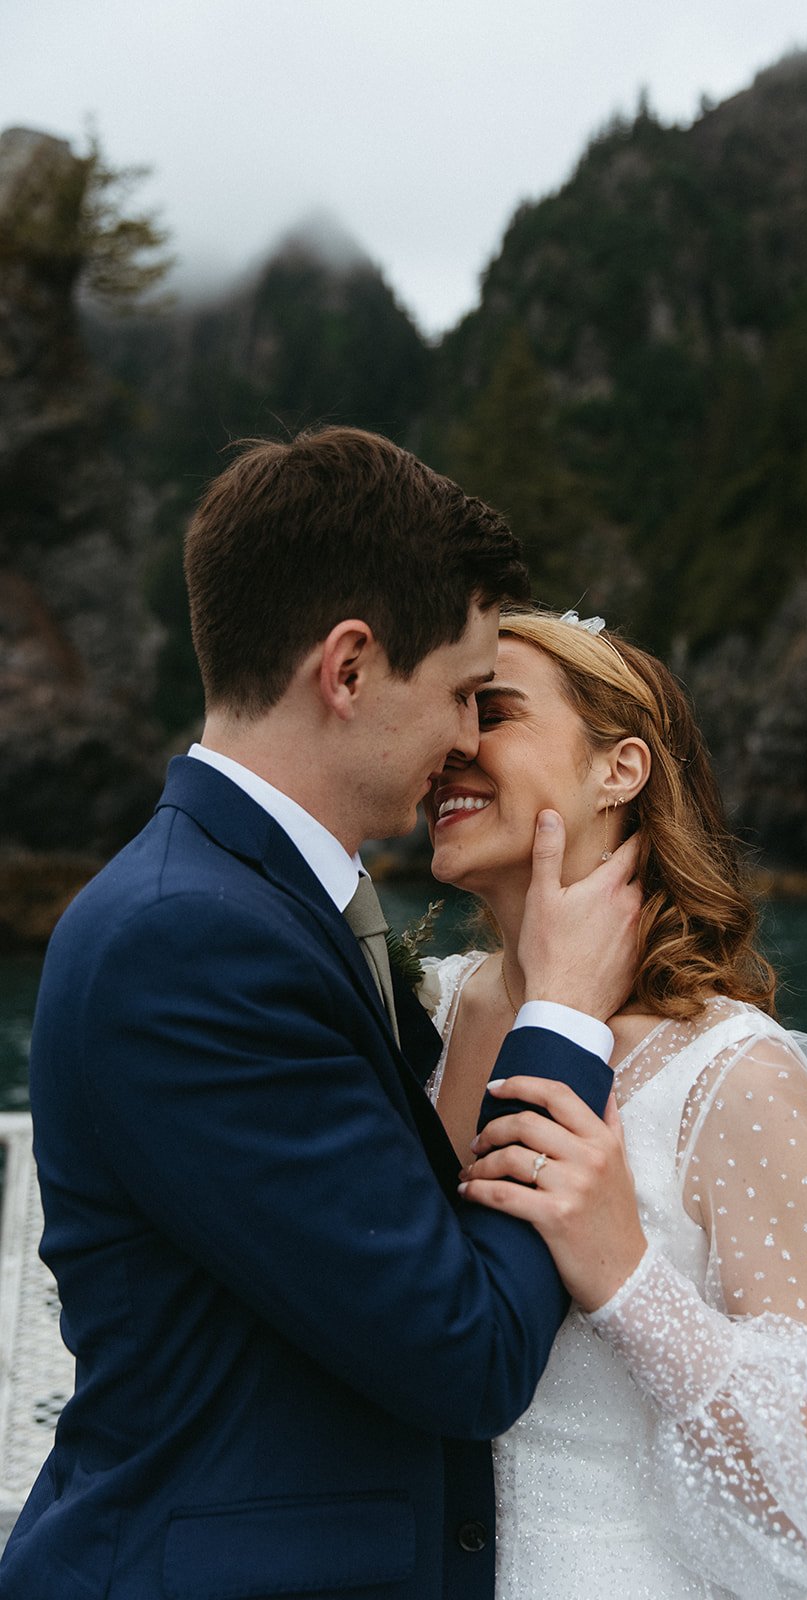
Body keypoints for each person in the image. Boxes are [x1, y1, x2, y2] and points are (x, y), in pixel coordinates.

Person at [1, 433, 645, 1599]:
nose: (465, 739)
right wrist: (560, 1014)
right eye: (460, 692)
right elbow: (466, 1353)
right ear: (347, 670)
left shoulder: (265, 903)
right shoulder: (188, 942)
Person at [421, 608, 807, 1600]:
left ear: (618, 770)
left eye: (493, 711)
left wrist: (626, 1276)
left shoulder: (731, 1073)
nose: (453, 743)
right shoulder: (426, 1016)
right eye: (452, 709)